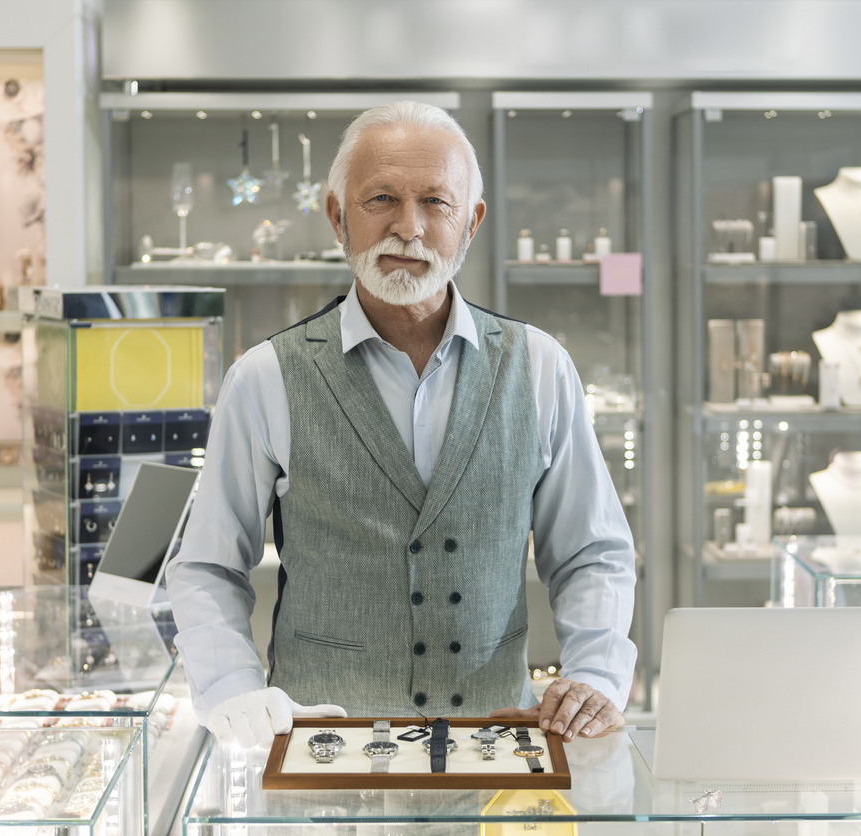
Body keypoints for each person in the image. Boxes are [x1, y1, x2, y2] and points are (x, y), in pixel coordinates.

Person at [164, 101, 635, 749]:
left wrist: (598, 673)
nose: (408, 228)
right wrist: (232, 690)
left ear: (470, 223)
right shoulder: (266, 377)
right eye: (380, 198)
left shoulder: (541, 369)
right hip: (320, 759)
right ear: (337, 215)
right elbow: (208, 567)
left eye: (436, 203)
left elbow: (592, 552)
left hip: (492, 752)